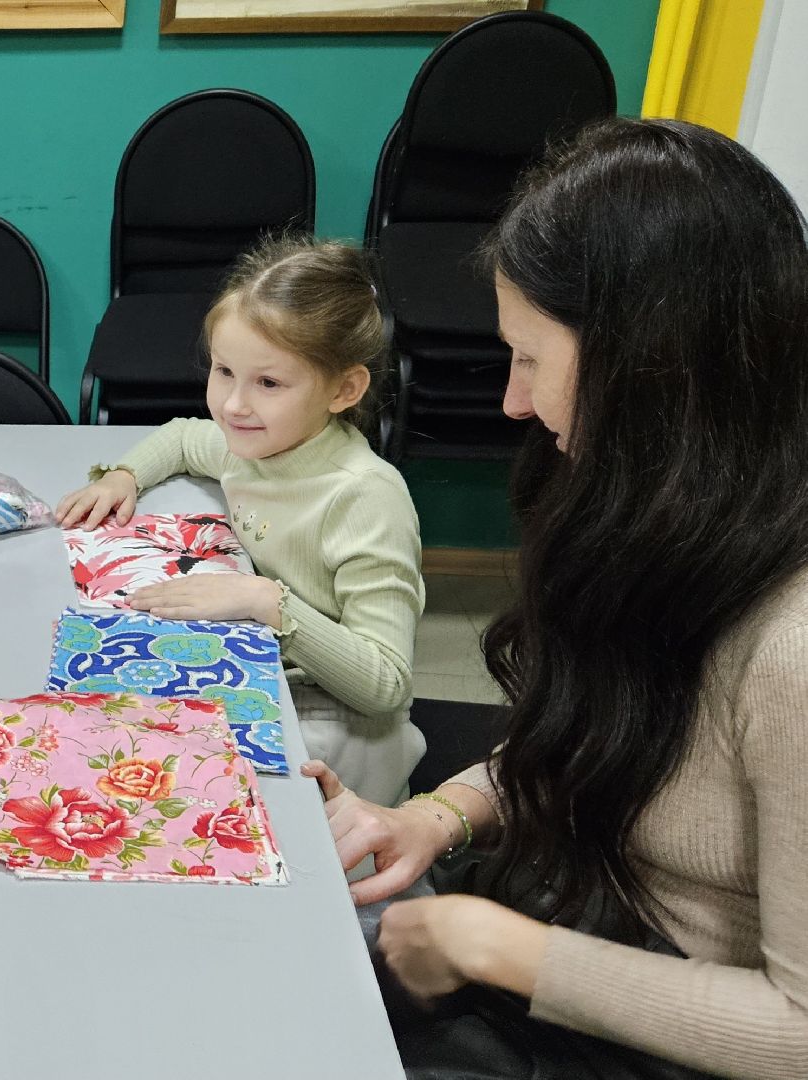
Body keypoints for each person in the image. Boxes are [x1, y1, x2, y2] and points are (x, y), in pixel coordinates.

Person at [311, 118, 808, 1080]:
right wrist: (437, 816)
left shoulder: (790, 650)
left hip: (655, 1024)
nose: (512, 401)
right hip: (561, 906)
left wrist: (487, 944)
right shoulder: (666, 509)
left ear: (654, 367)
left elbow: (796, 1030)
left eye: (533, 358)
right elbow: (597, 742)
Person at [57, 238, 425, 804]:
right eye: (224, 371)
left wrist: (265, 602)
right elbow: (182, 435)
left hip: (340, 731)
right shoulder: (254, 441)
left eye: (268, 383)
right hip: (269, 673)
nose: (233, 405)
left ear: (344, 389)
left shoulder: (365, 498)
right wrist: (122, 477)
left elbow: (386, 683)